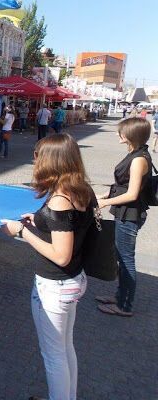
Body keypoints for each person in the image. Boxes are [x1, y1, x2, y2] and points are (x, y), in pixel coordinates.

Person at [2, 133, 93, 400]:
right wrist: (39, 222)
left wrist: (21, 231)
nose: (35, 160)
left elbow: (61, 254)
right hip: (73, 281)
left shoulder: (59, 200)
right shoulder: (79, 189)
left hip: (55, 286)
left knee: (53, 355)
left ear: (52, 160)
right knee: (65, 348)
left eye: (38, 155)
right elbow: (67, 227)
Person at [96, 118, 153, 317]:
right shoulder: (135, 153)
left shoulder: (138, 159)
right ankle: (120, 296)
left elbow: (132, 194)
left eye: (121, 132)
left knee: (126, 259)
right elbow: (124, 186)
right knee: (121, 257)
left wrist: (105, 203)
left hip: (129, 214)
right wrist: (105, 195)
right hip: (125, 212)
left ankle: (124, 306)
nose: (117, 134)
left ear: (132, 135)